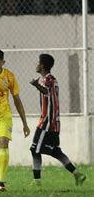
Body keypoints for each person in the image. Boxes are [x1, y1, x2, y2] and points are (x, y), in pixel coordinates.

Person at [29, 54, 86, 187]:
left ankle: (37, 183)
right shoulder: (48, 80)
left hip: (47, 122)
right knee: (55, 151)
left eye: (38, 62)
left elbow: (46, 91)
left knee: (34, 149)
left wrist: (37, 85)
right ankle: (77, 174)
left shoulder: (49, 80)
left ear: (42, 65)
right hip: (53, 122)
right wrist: (38, 84)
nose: (36, 64)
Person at [0, 49, 30, 192]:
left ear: (3, 62)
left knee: (4, 143)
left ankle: (1, 182)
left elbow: (17, 100)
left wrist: (25, 124)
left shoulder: (9, 77)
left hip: (4, 115)